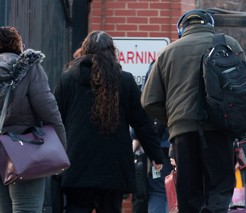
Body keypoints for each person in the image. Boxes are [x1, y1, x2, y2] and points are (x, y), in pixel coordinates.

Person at [141, 9, 246, 212]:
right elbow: (245, 90)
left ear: (182, 29)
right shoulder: (228, 43)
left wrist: (174, 120)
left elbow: (149, 101)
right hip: (220, 129)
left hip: (183, 132)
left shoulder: (166, 53)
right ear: (210, 25)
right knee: (220, 187)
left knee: (188, 193)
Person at [53, 30, 165, 213]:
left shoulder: (67, 79)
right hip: (113, 164)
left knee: (76, 207)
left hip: (76, 160)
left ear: (84, 49)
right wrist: (156, 155)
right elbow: (142, 123)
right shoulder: (125, 80)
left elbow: (56, 119)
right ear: (112, 51)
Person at [0, 26, 66, 212]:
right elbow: (49, 111)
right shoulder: (28, 68)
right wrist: (61, 148)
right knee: (26, 208)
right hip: (24, 151)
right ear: (17, 44)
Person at [131, 60, 173, 213]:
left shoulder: (155, 67)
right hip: (185, 140)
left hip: (159, 143)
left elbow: (144, 105)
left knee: (158, 190)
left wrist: (136, 138)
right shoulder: (188, 65)